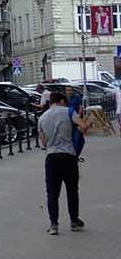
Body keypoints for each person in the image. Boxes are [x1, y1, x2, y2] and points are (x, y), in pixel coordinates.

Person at [38, 92, 88, 235]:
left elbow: (44, 142)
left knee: (52, 193)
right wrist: (77, 138)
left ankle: (54, 225)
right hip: (69, 155)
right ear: (61, 101)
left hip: (52, 157)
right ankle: (74, 222)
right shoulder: (69, 111)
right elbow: (84, 126)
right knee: (72, 190)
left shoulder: (42, 117)